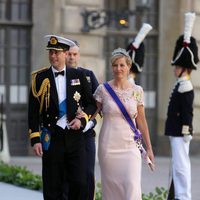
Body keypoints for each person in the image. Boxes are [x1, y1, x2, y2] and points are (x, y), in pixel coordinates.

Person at [28, 34, 97, 200]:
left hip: (75, 137)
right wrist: (35, 139)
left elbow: (92, 104)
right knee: (53, 185)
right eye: (50, 52)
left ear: (66, 54)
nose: (53, 56)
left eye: (56, 52)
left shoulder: (78, 76)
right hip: (52, 138)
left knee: (80, 182)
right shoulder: (40, 78)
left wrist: (82, 120)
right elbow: (33, 110)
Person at [93, 47, 155, 200]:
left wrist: (149, 148)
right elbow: (92, 113)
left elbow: (141, 120)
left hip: (130, 147)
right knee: (111, 190)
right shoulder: (103, 90)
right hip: (108, 147)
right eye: (115, 65)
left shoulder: (137, 90)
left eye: (122, 65)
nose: (118, 69)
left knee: (132, 185)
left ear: (128, 66)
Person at [165, 12, 199, 200]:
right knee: (177, 166)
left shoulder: (185, 85)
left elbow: (187, 112)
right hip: (176, 131)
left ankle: (183, 196)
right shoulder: (180, 84)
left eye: (177, 66)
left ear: (184, 68)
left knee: (181, 166)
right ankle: (178, 194)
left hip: (180, 131)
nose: (174, 69)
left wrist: (186, 131)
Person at [65, 41, 99, 200]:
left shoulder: (88, 75)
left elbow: (98, 105)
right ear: (64, 55)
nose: (71, 57)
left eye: (74, 54)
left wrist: (88, 121)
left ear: (78, 56)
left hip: (85, 133)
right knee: (67, 176)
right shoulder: (57, 76)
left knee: (88, 173)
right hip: (65, 133)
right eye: (69, 54)